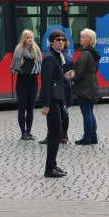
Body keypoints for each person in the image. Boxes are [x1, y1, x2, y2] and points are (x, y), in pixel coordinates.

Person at [40, 30, 68, 177]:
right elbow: (46, 83)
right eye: (58, 39)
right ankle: (49, 168)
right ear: (51, 42)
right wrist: (46, 104)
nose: (61, 41)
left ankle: (53, 165)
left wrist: (65, 77)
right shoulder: (50, 58)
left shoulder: (58, 56)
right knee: (55, 133)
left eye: (63, 39)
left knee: (57, 133)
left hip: (57, 98)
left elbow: (55, 79)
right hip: (52, 100)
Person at [10, 30, 41, 141]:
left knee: (31, 107)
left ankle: (29, 131)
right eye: (28, 37)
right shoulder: (19, 50)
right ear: (24, 39)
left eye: (32, 37)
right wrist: (21, 71)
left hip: (33, 81)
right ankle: (23, 132)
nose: (30, 39)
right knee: (22, 107)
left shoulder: (36, 50)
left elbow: (39, 66)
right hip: (22, 81)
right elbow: (12, 68)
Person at [73, 28, 100, 145]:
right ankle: (93, 136)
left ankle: (87, 137)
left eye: (83, 37)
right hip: (92, 84)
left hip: (85, 86)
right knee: (90, 111)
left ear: (89, 40)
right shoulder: (94, 53)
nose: (80, 39)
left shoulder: (85, 53)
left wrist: (72, 77)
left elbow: (79, 72)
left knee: (86, 112)